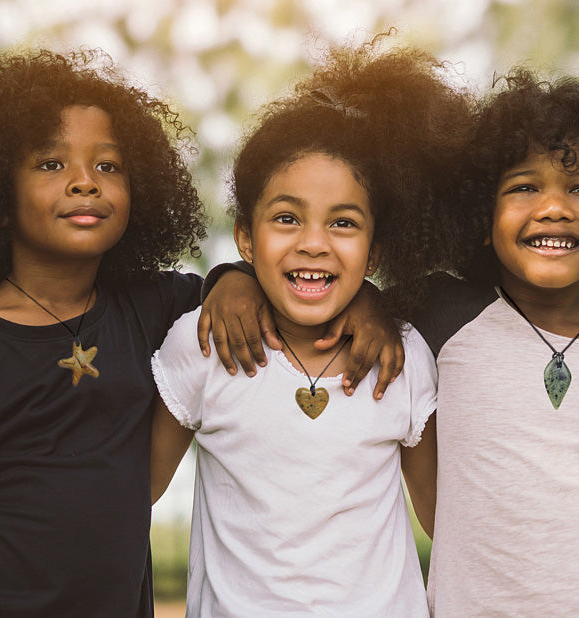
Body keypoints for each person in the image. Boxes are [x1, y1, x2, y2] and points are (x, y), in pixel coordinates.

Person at [205, 68, 579, 617]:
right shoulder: (445, 314)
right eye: (524, 187)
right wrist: (234, 278)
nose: (554, 206)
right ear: (480, 217)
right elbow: (323, 286)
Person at [0, 48, 210, 617]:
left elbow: (241, 291)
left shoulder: (154, 307)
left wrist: (238, 282)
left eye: (108, 165)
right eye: (52, 164)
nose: (85, 183)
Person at [149, 41, 471, 616]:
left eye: (343, 222)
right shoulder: (202, 345)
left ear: (374, 253)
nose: (314, 242)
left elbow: (448, 519)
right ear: (246, 238)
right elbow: (130, 496)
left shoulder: (404, 356)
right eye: (287, 218)